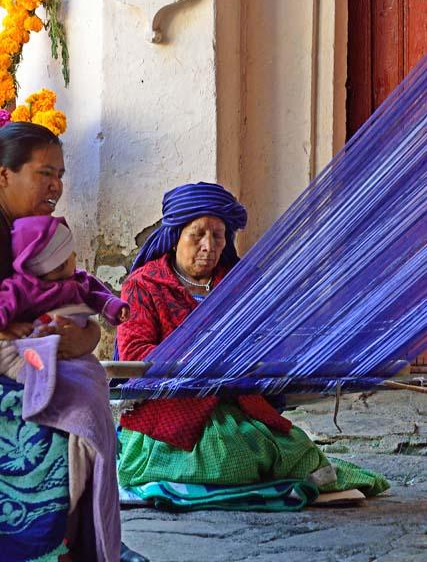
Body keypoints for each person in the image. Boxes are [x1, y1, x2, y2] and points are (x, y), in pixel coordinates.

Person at [116, 182, 389, 510]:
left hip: (237, 401)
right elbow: (134, 354)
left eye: (218, 236)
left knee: (295, 450)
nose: (208, 246)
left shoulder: (239, 283)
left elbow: (264, 342)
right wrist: (202, 356)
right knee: (227, 458)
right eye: (197, 234)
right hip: (173, 408)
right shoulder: (143, 285)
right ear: (175, 235)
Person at [0, 122, 147, 562]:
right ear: (4, 174)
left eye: (60, 174)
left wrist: (81, 337)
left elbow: (77, 303)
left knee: (88, 391)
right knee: (71, 415)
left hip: (36, 356)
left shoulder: (34, 234)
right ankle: (40, 546)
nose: (56, 185)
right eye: (44, 172)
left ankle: (82, 541)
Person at [0, 214, 129, 334]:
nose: (75, 255)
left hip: (73, 344)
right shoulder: (21, 288)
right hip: (36, 345)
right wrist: (8, 328)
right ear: (61, 265)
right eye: (71, 253)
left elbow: (98, 296)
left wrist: (116, 307)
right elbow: (4, 307)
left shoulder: (80, 281)